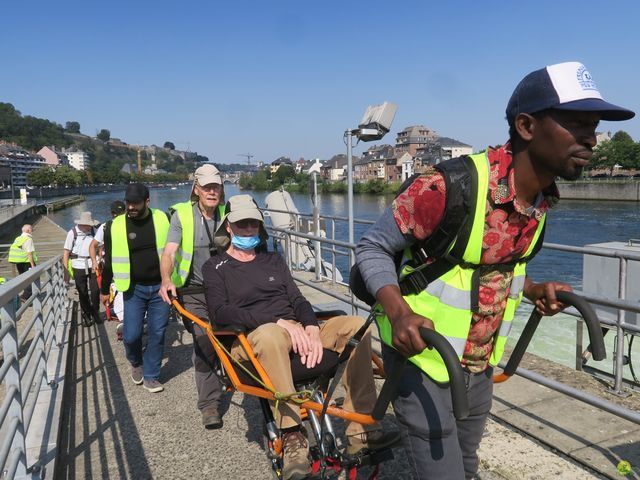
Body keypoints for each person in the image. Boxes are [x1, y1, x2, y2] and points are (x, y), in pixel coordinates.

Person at [354, 61, 635, 480]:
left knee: (466, 468)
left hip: (478, 364)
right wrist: (398, 312)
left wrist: (534, 289)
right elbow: (372, 247)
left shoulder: (541, 201)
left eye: (593, 127)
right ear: (526, 126)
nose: (592, 140)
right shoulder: (447, 187)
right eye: (578, 125)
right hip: (420, 359)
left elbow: (498, 269)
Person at [203, 194, 399, 480]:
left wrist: (307, 326)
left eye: (253, 224)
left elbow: (297, 298)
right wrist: (279, 323)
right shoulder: (215, 268)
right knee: (271, 335)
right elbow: (220, 314)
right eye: (241, 224)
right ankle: (293, 438)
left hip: (295, 328)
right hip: (252, 340)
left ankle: (363, 431)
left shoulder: (273, 260)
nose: (248, 229)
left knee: (357, 324)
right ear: (228, 228)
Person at [159, 164, 226, 429]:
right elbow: (169, 253)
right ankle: (209, 404)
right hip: (194, 291)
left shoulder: (227, 213)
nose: (212, 191)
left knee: (234, 335)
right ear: (196, 189)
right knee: (203, 339)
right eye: (207, 187)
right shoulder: (182, 216)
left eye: (216, 187)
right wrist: (166, 279)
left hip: (225, 290)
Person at [100, 183, 170, 393]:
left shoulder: (163, 218)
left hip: (160, 287)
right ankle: (135, 361)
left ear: (147, 201)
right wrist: (104, 290)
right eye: (128, 202)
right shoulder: (114, 226)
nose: (130, 207)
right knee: (131, 335)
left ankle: (151, 375)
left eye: (135, 203)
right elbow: (109, 259)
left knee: (158, 332)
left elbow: (174, 250)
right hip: (133, 288)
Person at [90, 201, 126, 329]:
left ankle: (125, 319)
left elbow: (93, 245)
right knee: (117, 290)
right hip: (113, 264)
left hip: (120, 265)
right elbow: (93, 245)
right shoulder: (106, 227)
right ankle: (124, 319)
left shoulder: (127, 224)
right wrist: (95, 261)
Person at [62, 212, 101, 326]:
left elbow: (99, 246)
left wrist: (100, 257)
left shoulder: (93, 231)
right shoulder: (72, 233)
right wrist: (66, 272)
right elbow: (66, 253)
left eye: (90, 225)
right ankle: (86, 314)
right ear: (82, 224)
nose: (90, 227)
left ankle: (95, 311)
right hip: (78, 264)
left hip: (92, 264)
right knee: (82, 292)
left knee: (95, 290)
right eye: (88, 225)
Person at [8, 224, 37, 301]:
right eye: (31, 229)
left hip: (18, 262)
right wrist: (33, 265)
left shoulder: (18, 238)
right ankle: (27, 296)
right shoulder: (28, 239)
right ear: (28, 230)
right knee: (31, 278)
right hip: (26, 262)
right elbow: (29, 253)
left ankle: (25, 295)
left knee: (23, 278)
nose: (32, 231)